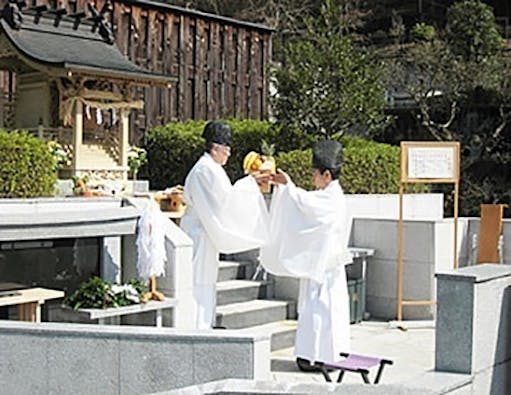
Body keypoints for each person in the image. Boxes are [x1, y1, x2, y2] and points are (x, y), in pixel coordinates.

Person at [261, 139, 352, 371]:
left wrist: (288, 185)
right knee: (320, 311)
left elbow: (305, 203)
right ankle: (317, 354)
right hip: (324, 265)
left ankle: (318, 356)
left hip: (325, 267)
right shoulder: (332, 196)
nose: (313, 179)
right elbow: (307, 203)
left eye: (315, 174)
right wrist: (287, 186)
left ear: (327, 175)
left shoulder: (331, 198)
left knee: (320, 311)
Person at [180, 121, 270, 329]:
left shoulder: (211, 168)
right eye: (227, 150)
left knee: (206, 282)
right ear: (216, 148)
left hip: (204, 232)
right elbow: (227, 201)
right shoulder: (206, 170)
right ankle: (196, 327)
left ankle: (205, 323)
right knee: (198, 283)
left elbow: (226, 199)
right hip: (199, 232)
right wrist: (250, 182)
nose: (229, 155)